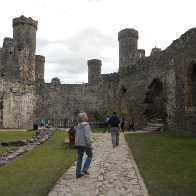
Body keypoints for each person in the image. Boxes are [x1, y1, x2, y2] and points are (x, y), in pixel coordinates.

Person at [75, 112, 94, 178]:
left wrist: (76, 143)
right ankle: (85, 169)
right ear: (83, 118)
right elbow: (87, 136)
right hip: (85, 144)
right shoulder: (86, 125)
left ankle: (78, 173)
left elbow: (77, 135)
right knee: (90, 155)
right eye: (86, 115)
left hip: (79, 144)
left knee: (79, 158)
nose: (87, 116)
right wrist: (90, 144)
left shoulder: (78, 125)